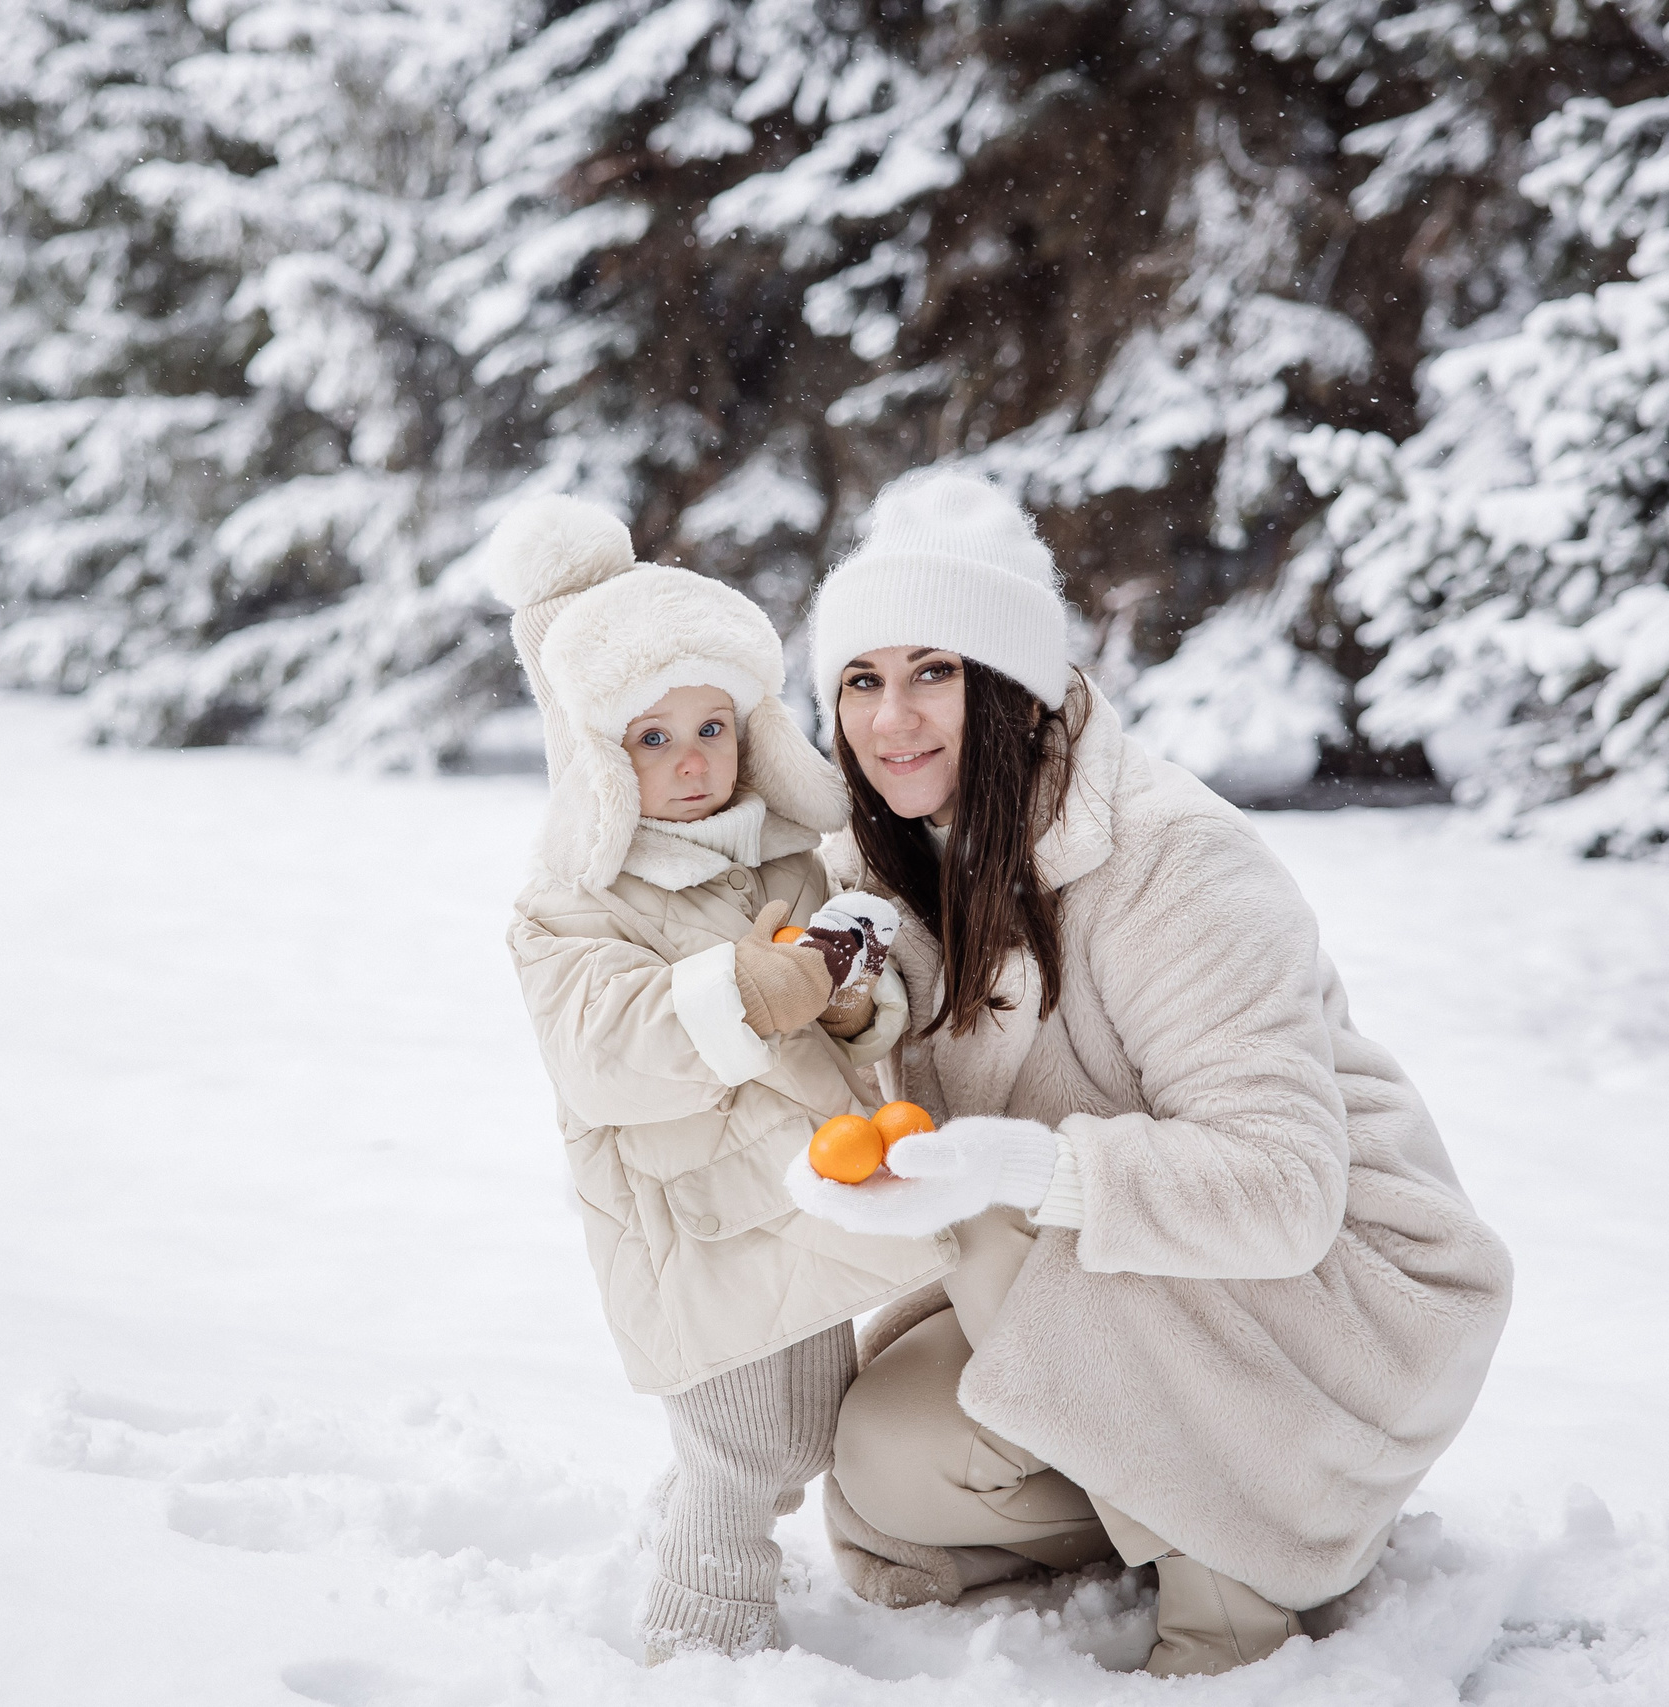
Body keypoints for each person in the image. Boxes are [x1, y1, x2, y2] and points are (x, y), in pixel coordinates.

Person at [785, 471, 1515, 1677]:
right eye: (860, 679)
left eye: (935, 671)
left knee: (996, 1225)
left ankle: (1244, 1570)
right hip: (1097, 1283)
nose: (891, 718)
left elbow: (1283, 1188)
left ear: (1012, 689)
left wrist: (1016, 1165)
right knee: (890, 1459)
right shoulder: (897, 871)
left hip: (1331, 1299)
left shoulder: (1176, 859)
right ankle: (1164, 1502)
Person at [489, 496, 955, 1663]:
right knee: (752, 1448)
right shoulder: (571, 903)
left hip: (790, 1203)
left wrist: (851, 1000)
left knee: (793, 1433)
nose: (691, 761)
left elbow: (840, 1029)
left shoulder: (784, 855)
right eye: (651, 738)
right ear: (598, 755)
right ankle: (699, 1640)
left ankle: (676, 1535)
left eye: (713, 726)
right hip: (690, 1226)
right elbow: (608, 1052)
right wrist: (740, 995)